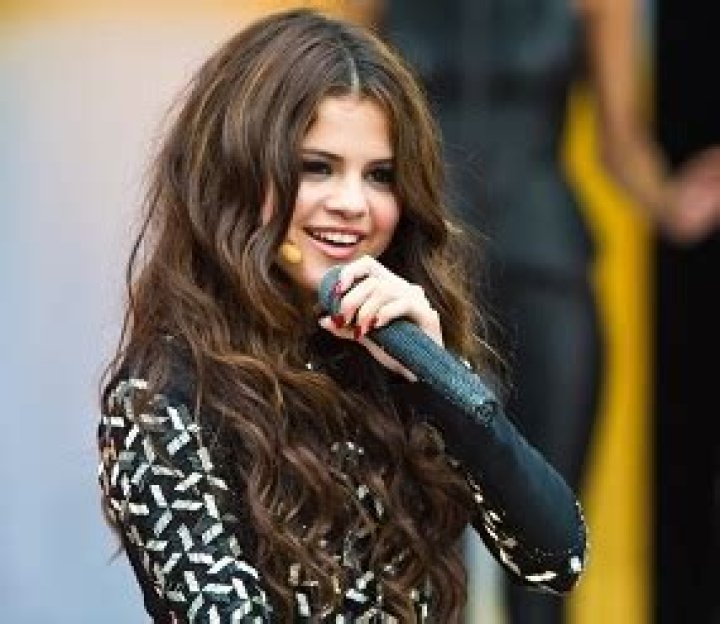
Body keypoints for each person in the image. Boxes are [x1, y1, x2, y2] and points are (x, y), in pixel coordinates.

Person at [97, 9, 588, 622]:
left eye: (380, 176)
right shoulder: (164, 397)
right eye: (317, 168)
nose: (353, 204)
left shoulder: (398, 357)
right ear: (237, 173)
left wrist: (444, 381)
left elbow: (557, 559)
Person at [381, 1, 720, 622]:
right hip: (422, 271)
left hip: (546, 268)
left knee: (545, 552)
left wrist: (672, 203)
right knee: (420, 545)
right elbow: (355, 103)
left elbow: (620, 140)